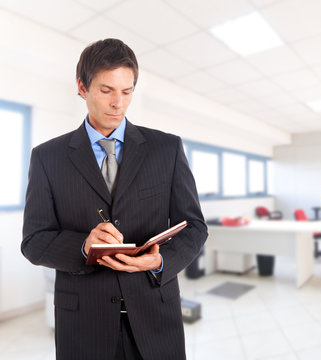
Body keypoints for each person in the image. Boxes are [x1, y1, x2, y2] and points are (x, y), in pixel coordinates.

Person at [21, 38, 207, 360]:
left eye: (127, 91)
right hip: (83, 324)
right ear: (82, 87)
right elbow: (34, 241)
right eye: (106, 90)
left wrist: (160, 261)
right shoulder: (47, 158)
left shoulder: (167, 149)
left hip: (154, 317)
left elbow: (194, 227)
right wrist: (83, 246)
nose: (117, 103)